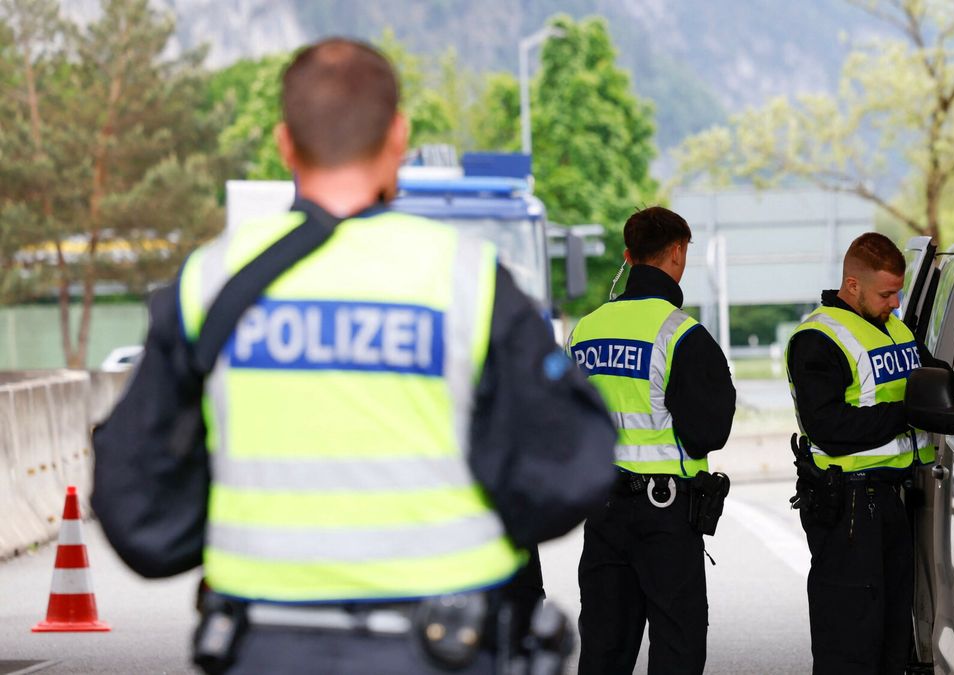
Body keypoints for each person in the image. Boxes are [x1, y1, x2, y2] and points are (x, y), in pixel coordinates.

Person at [92, 38, 616, 674]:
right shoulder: (467, 281)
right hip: (442, 647)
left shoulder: (209, 281)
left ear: (286, 144)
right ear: (398, 136)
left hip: (262, 646)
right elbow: (572, 469)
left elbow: (135, 502)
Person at [785, 232, 954, 675]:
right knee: (850, 642)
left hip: (892, 500)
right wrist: (907, 413)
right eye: (886, 293)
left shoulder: (896, 328)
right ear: (852, 286)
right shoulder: (818, 339)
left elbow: (938, 381)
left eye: (898, 293)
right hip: (848, 506)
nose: (894, 302)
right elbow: (827, 427)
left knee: (892, 637)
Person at [568, 206, 736, 675]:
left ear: (628, 256)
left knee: (603, 645)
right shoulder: (681, 334)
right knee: (676, 648)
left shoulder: (584, 331)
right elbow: (708, 433)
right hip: (665, 514)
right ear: (678, 252)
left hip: (602, 512)